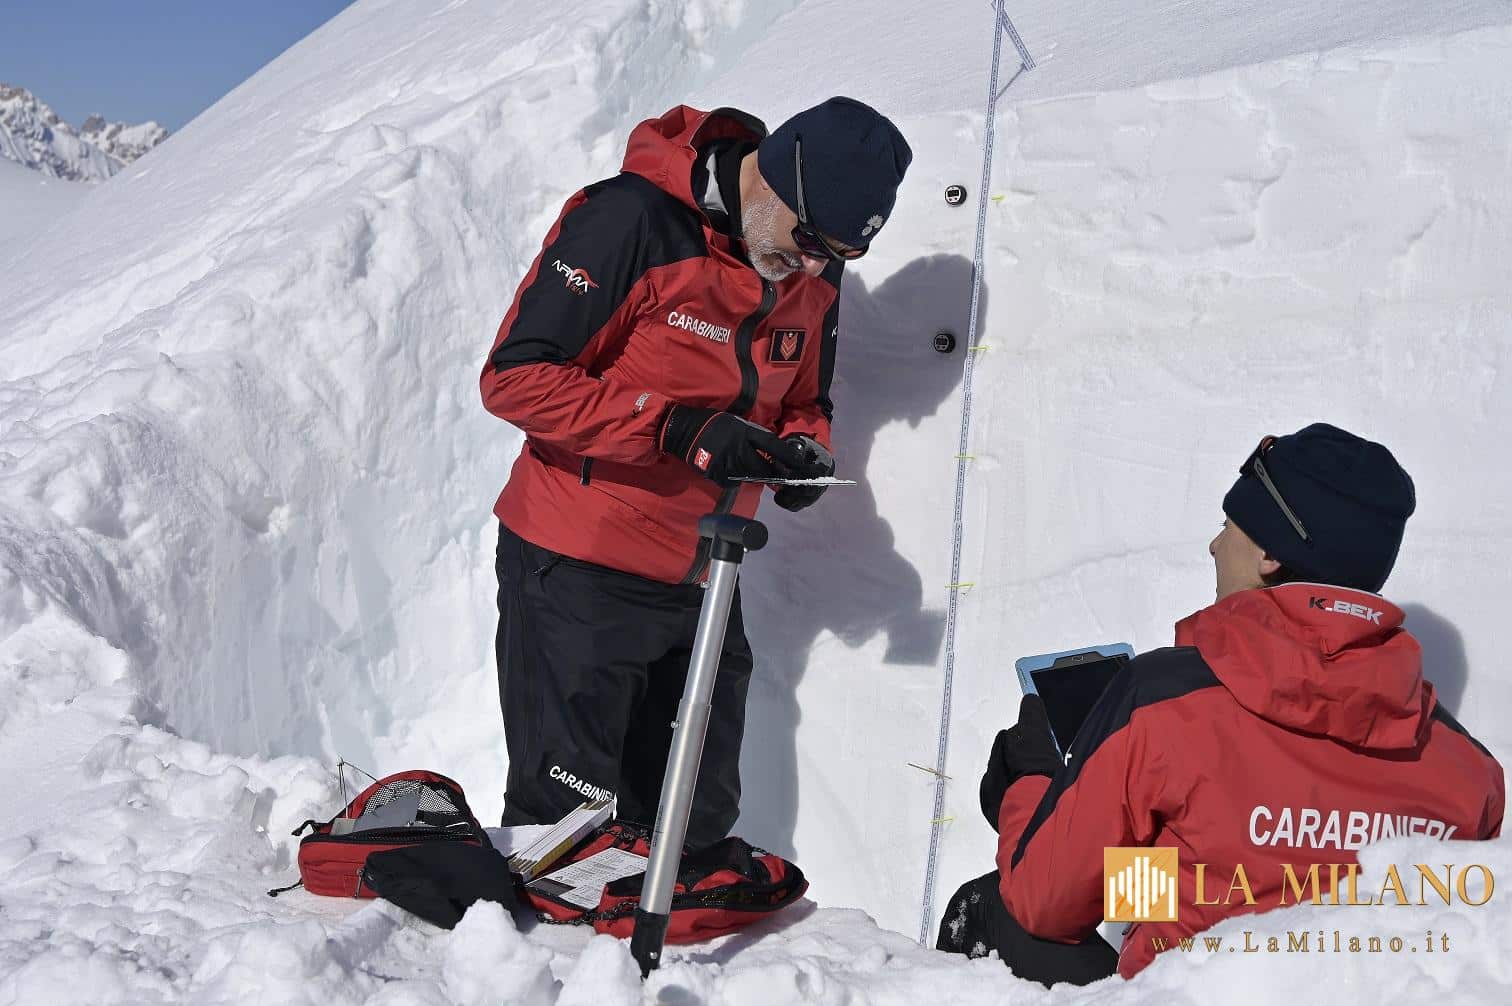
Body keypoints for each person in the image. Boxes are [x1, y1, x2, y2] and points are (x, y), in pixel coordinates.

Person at [479, 98, 911, 847]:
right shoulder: (631, 221)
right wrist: (678, 428)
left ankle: (668, 966)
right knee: (566, 839)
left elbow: (804, 397)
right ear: (773, 177)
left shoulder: (812, 270)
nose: (813, 267)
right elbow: (515, 378)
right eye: (807, 239)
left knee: (693, 831)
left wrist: (802, 454)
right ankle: (544, 967)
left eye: (840, 254)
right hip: (576, 570)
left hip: (704, 583)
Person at [939, 423, 1505, 984]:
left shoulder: (1165, 701)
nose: (1215, 545)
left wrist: (1032, 789)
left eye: (1227, 525)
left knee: (992, 907)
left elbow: (1048, 903)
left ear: (1267, 554)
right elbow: (1248, 875)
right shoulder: (1468, 772)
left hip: (1191, 994)